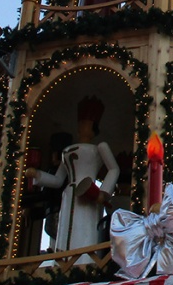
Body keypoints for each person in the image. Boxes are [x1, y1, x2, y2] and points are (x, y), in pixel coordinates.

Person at [26, 96, 119, 251]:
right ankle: (64, 257)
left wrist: (103, 192)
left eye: (86, 124)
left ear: (93, 127)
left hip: (89, 192)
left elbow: (114, 169)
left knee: (85, 224)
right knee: (66, 226)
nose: (82, 127)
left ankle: (86, 259)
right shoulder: (67, 151)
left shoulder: (99, 148)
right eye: (80, 123)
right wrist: (38, 175)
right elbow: (57, 179)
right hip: (69, 194)